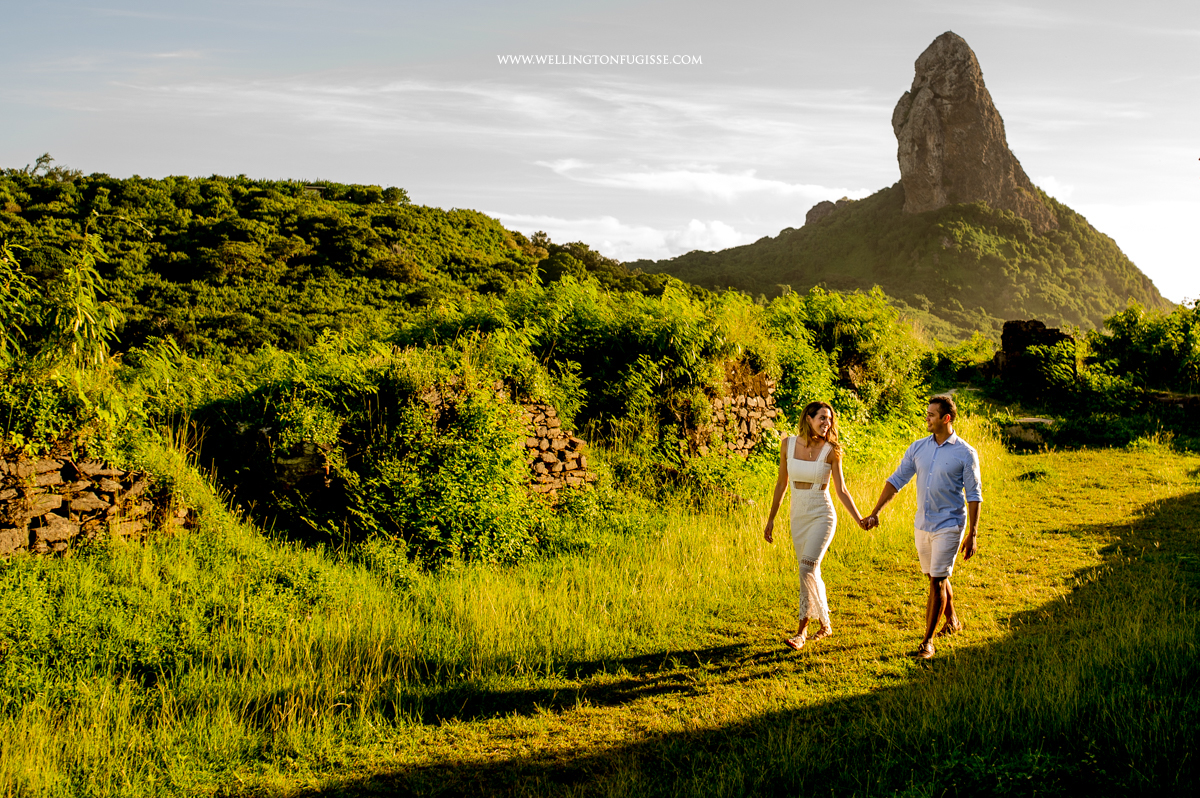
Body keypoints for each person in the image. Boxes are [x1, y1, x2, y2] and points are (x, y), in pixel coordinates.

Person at [863, 395, 982, 659]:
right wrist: (875, 512)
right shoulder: (917, 448)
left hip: (950, 524)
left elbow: (973, 496)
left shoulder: (965, 453)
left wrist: (972, 533)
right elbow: (896, 481)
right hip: (923, 524)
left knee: (937, 579)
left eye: (931, 414)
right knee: (934, 576)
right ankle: (952, 621)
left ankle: (927, 641)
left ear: (946, 418)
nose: (926, 418)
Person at [763, 401, 868, 650]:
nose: (827, 423)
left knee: (806, 568)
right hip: (798, 517)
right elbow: (781, 484)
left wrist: (860, 519)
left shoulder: (831, 450)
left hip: (823, 515)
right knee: (811, 572)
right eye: (822, 418)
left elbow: (841, 490)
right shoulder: (787, 444)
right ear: (808, 418)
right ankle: (826, 625)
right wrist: (771, 518)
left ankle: (802, 632)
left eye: (830, 419)